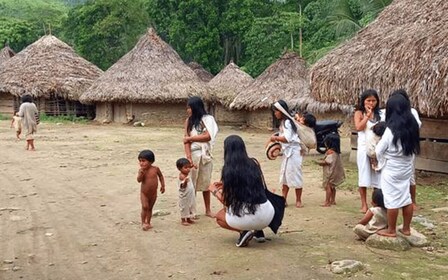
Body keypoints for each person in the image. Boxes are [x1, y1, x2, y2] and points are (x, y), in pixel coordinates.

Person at [209, 135, 275, 247]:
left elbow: (226, 202)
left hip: (248, 214)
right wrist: (225, 184)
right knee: (251, 205)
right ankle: (258, 231)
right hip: (267, 213)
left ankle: (243, 232)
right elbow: (249, 182)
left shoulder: (228, 171)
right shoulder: (254, 163)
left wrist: (215, 191)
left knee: (220, 216)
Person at [375, 93, 420, 237]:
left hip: (392, 168)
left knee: (391, 200)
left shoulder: (390, 130)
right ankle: (406, 229)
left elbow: (379, 150)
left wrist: (381, 161)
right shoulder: (413, 126)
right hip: (406, 167)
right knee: (406, 197)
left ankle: (391, 230)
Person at [183, 96, 218, 218]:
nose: (188, 110)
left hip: (205, 154)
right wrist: (188, 157)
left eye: (189, 107)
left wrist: (191, 138)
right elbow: (185, 141)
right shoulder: (188, 121)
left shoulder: (208, 120)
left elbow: (208, 136)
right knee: (191, 183)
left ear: (195, 107)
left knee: (205, 183)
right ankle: (192, 211)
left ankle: (208, 210)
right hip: (193, 153)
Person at [389, 89, 422, 210]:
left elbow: (417, 126)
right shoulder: (391, 114)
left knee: (410, 176)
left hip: (407, 147)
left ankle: (412, 201)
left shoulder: (412, 112)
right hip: (394, 150)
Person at [354, 89, 383, 213]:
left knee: (378, 175)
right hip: (363, 147)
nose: (371, 103)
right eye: (368, 100)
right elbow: (359, 127)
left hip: (378, 147)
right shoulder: (358, 113)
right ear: (363, 101)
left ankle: (376, 202)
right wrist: (367, 116)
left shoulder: (380, 114)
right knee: (364, 175)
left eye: (374, 100)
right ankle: (364, 204)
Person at [271, 100, 304, 207]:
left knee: (296, 175)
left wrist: (275, 138)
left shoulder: (288, 122)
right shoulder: (283, 123)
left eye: (276, 111)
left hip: (294, 153)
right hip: (287, 153)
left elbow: (287, 138)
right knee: (285, 176)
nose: (275, 113)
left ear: (281, 111)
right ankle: (283, 199)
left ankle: (298, 200)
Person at [137, 150, 165, 231]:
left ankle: (148, 222)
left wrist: (163, 185)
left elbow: (161, 176)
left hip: (153, 193)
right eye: (140, 161)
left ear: (151, 161)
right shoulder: (142, 171)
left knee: (150, 208)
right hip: (144, 193)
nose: (141, 163)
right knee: (145, 207)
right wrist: (141, 174)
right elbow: (139, 180)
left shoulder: (155, 169)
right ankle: (143, 222)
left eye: (143, 161)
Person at [316, 133, 345, 207]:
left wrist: (320, 162)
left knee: (328, 186)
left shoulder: (330, 152)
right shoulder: (337, 153)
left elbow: (327, 161)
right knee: (333, 187)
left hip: (330, 172)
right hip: (335, 172)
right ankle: (333, 200)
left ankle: (327, 202)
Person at [176, 157, 196, 226]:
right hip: (184, 195)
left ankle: (188, 218)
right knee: (184, 207)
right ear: (179, 169)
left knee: (190, 206)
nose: (188, 169)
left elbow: (191, 166)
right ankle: (183, 220)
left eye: (188, 167)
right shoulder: (182, 176)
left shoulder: (187, 173)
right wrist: (185, 182)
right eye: (185, 167)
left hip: (189, 194)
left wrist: (193, 166)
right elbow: (182, 186)